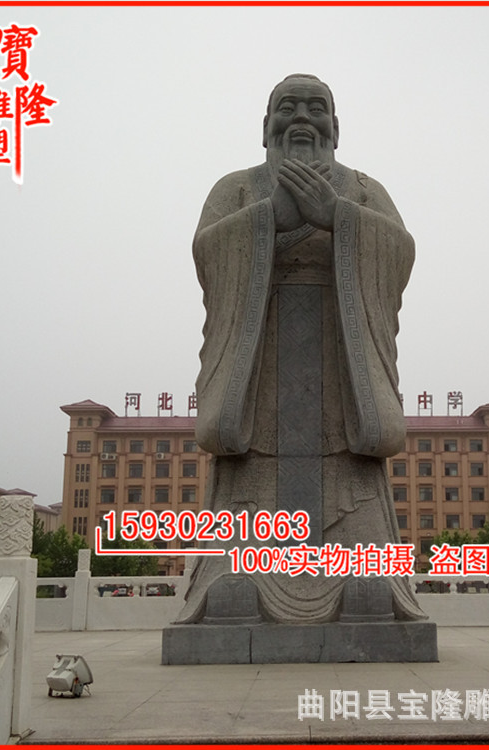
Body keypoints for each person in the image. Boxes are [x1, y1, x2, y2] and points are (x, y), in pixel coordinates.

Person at [176, 74, 425, 624]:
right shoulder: (237, 189)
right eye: (288, 108)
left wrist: (339, 217)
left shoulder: (363, 191)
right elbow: (208, 257)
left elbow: (400, 254)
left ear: (335, 126)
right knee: (248, 497)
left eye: (317, 108)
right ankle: (233, 572)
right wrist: (270, 219)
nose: (303, 119)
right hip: (260, 363)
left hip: (341, 366)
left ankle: (366, 568)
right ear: (266, 126)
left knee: (354, 501)